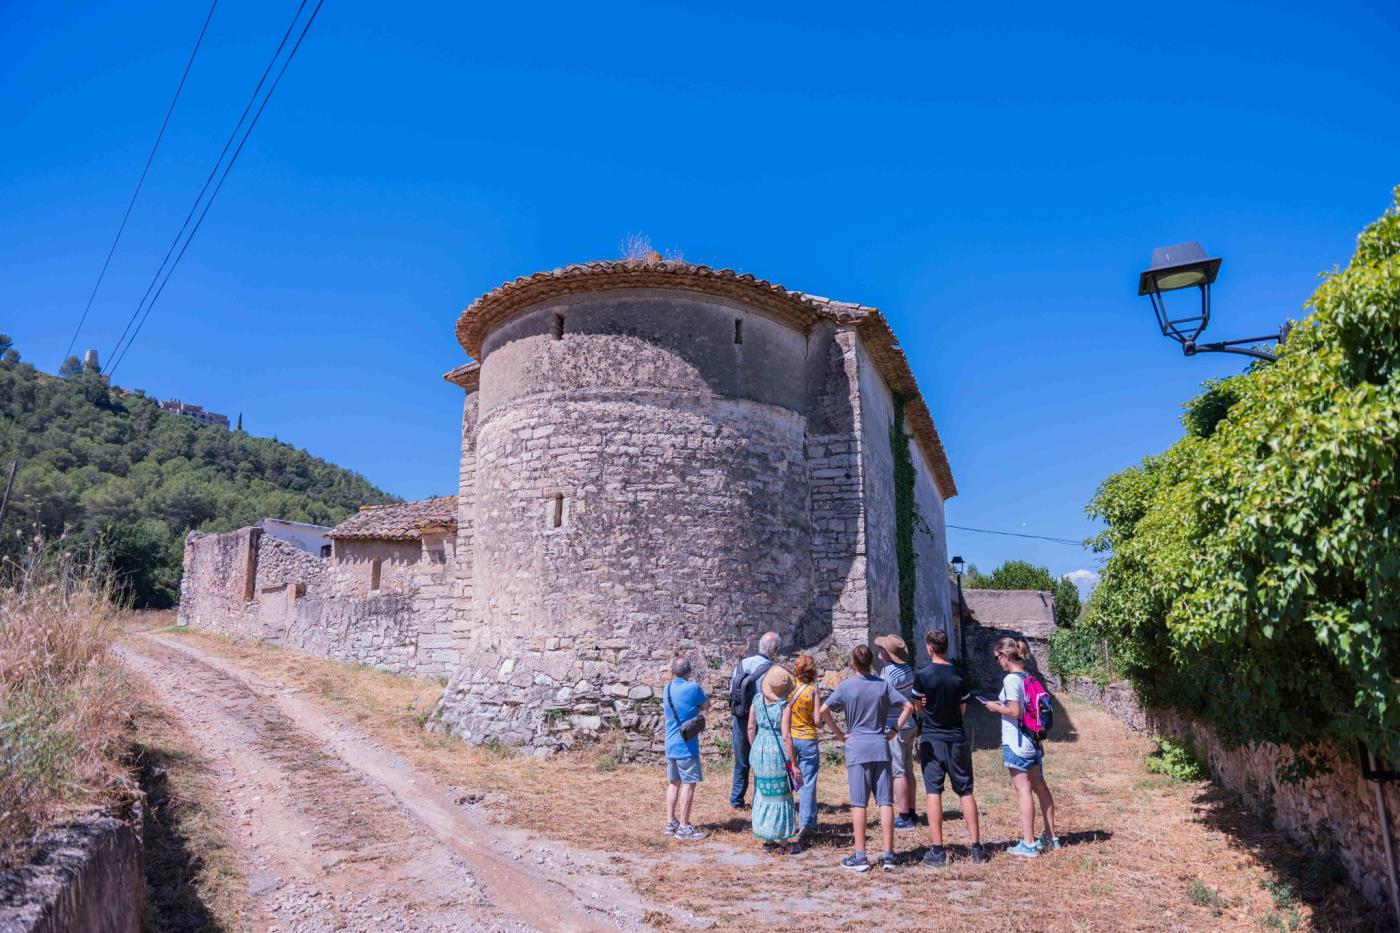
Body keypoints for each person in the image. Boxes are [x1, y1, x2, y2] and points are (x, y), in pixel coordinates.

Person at [820, 644, 914, 872]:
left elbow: (823, 710)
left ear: (854, 662)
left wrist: (839, 733)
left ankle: (861, 856)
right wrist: (894, 730)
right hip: (880, 745)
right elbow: (908, 706)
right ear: (872, 661)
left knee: (859, 803)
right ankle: (889, 855)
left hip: (857, 747)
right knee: (885, 802)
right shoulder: (882, 685)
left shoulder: (846, 686)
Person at [911, 628, 987, 865]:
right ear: (947, 647)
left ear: (929, 648)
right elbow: (962, 709)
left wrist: (925, 705)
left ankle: (937, 850)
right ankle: (976, 848)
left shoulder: (923, 675)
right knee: (965, 791)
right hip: (956, 737)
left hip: (932, 739)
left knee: (934, 791)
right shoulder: (958, 674)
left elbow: (918, 709)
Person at [981, 637, 1058, 857]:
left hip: (1017, 742)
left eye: (997, 658)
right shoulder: (1029, 676)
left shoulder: (1011, 680)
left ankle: (1028, 843)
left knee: (1023, 791)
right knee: (1040, 787)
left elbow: (1015, 712)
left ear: (1006, 656)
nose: (997, 662)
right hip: (1033, 741)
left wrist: (996, 707)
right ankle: (1052, 837)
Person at [747, 665, 799, 851]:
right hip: (777, 751)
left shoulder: (756, 700)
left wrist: (755, 747)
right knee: (781, 795)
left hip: (760, 748)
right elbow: (786, 735)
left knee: (763, 793)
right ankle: (783, 841)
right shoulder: (784, 706)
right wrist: (794, 762)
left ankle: (767, 841)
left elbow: (751, 727)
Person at [729, 631, 778, 810]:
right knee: (761, 761)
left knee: (741, 762)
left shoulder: (741, 665)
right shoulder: (772, 670)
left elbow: (731, 692)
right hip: (760, 722)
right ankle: (759, 799)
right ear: (774, 651)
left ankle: (736, 800)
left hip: (739, 718)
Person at [875, 633, 919, 830]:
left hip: (895, 726)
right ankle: (911, 810)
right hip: (909, 723)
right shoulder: (907, 669)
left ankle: (903, 815)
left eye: (882, 649)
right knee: (908, 769)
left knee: (898, 771)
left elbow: (882, 699)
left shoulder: (888, 674)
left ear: (886, 653)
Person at [663, 656, 709, 841]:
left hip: (670, 743)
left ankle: (670, 822)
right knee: (688, 784)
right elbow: (706, 705)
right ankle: (683, 827)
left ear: (672, 671)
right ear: (689, 672)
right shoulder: (693, 688)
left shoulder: (666, 689)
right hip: (687, 746)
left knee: (673, 783)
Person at [787, 654, 825, 840]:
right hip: (808, 739)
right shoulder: (813, 691)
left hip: (790, 739)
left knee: (790, 781)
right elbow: (817, 721)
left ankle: (789, 821)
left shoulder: (789, 689)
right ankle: (806, 823)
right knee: (807, 782)